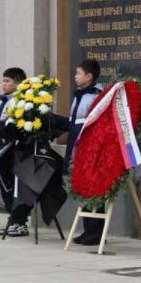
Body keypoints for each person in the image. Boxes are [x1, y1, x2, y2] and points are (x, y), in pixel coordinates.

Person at [59, 59, 105, 245]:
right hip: (76, 143)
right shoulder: (79, 95)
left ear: (89, 76)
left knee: (94, 187)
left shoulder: (97, 95)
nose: (75, 76)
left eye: (79, 73)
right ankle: (88, 229)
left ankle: (96, 231)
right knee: (83, 186)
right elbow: (73, 123)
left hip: (89, 145)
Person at [0, 67, 26, 232]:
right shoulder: (1, 102)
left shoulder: (20, 102)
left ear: (18, 83)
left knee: (12, 185)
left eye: (8, 81)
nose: (4, 84)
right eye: (3, 80)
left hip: (9, 150)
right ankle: (12, 218)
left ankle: (19, 222)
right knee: (3, 184)